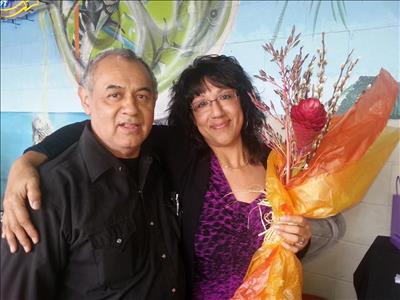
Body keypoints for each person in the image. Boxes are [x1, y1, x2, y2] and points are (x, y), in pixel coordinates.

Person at [1, 55, 311, 299]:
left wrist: (301, 241)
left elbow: (287, 240)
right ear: (191, 116)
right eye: (201, 103)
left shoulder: (277, 162)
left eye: (226, 96)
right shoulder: (181, 152)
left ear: (243, 100)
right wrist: (29, 159)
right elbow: (96, 131)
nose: (216, 112)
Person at [0, 49, 185, 299]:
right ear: (86, 99)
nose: (130, 108)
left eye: (142, 96)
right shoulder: (46, 195)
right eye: (114, 95)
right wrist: (26, 161)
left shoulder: (159, 158)